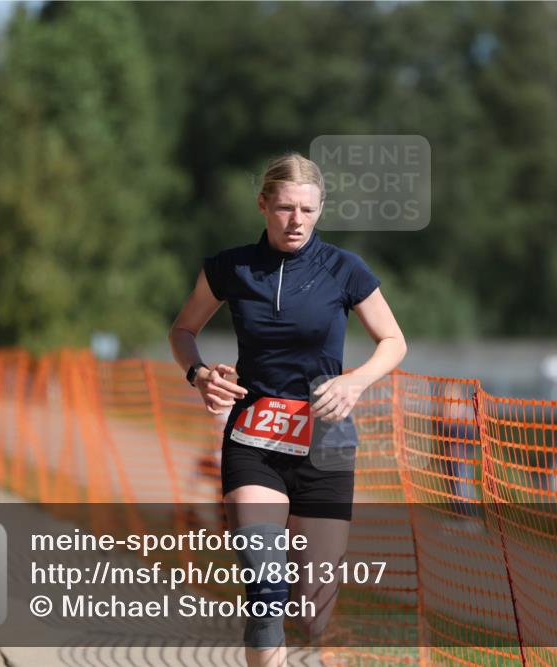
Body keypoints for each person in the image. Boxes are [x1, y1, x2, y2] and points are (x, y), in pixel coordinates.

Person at [169, 152, 407, 666]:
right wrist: (200, 373)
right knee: (264, 591)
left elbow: (392, 340)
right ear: (263, 205)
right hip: (254, 441)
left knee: (312, 615)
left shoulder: (345, 269)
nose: (296, 220)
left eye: (308, 209)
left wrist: (356, 382)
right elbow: (183, 330)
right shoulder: (230, 268)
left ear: (320, 209)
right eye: (284, 208)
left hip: (326, 446)